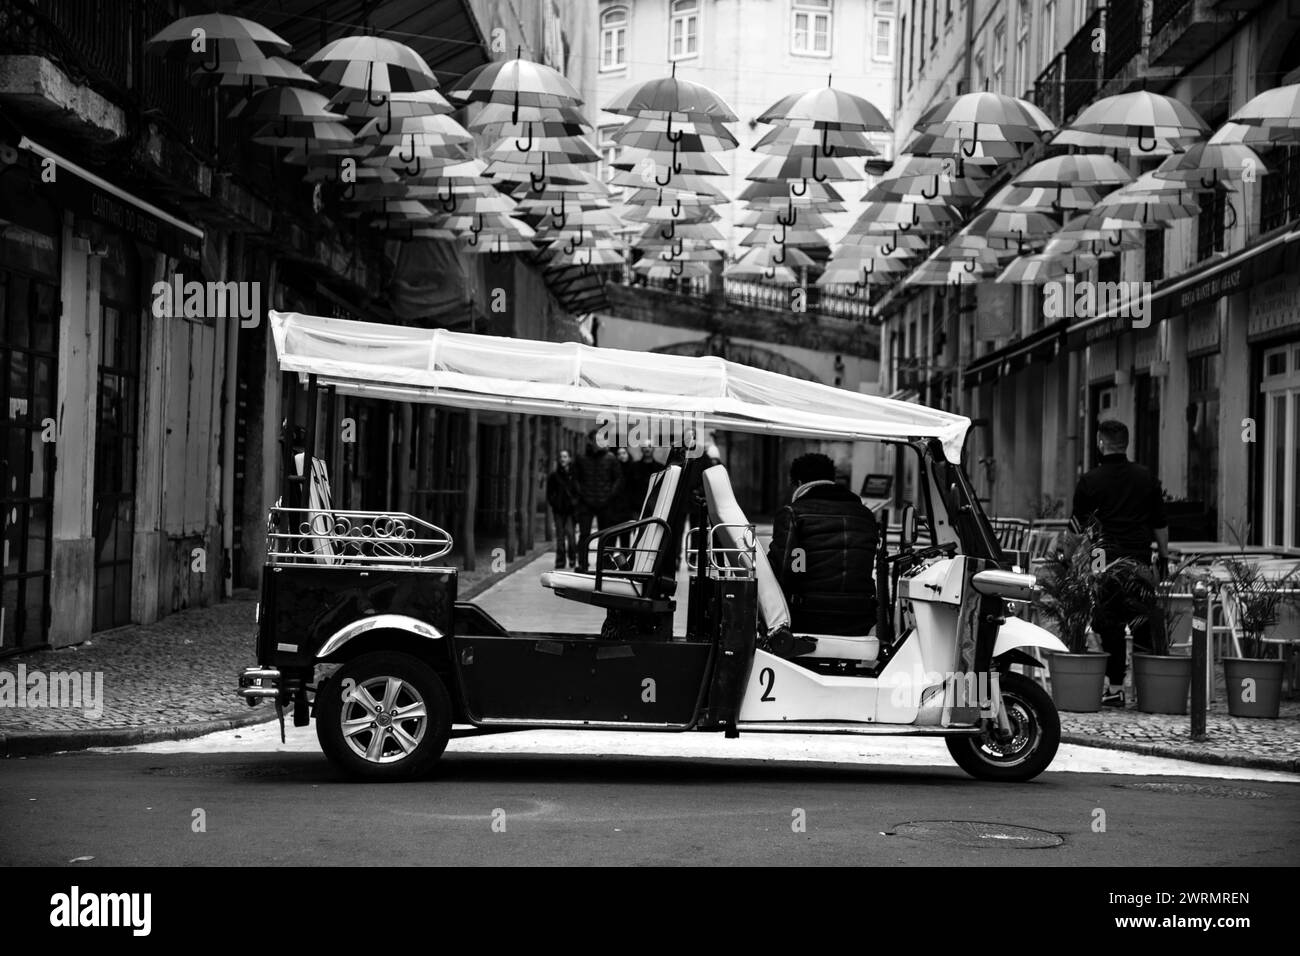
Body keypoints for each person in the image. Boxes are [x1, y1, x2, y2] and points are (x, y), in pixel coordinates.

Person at [1071, 419, 1170, 707]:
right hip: (1139, 559)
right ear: (1126, 444)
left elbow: (1077, 527)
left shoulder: (1090, 481)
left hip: (1104, 561)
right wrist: (1163, 557)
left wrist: (1066, 559)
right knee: (1141, 623)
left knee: (1107, 623)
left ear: (1101, 443)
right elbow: (1160, 523)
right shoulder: (1146, 478)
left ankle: (1115, 688)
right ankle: (1147, 691)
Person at [767, 452, 879, 636]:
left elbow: (788, 569)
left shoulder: (794, 514)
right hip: (860, 616)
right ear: (831, 479)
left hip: (808, 617)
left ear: (799, 482)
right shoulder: (865, 515)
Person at [572, 428, 623, 573]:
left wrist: (609, 495)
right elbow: (575, 479)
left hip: (605, 503)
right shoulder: (581, 458)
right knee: (584, 535)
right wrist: (582, 494)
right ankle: (583, 564)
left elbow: (618, 478)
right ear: (590, 441)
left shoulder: (611, 458)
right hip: (586, 503)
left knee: (606, 535)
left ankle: (604, 563)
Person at [545, 449, 581, 569]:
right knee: (560, 537)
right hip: (559, 510)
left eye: (565, 457)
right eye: (561, 457)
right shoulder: (554, 476)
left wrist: (575, 503)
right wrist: (555, 503)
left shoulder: (574, 475)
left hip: (571, 511)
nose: (562, 459)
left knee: (571, 536)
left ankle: (572, 559)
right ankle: (560, 562)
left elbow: (578, 491)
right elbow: (549, 493)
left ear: (569, 459)